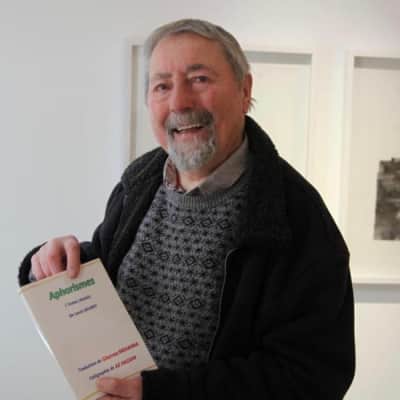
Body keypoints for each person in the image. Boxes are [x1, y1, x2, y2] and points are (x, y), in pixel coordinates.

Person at [18, 18, 355, 400]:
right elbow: (111, 277)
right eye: (162, 86)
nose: (179, 102)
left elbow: (311, 377)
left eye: (199, 79)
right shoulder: (138, 182)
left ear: (244, 90)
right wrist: (56, 263)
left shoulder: (298, 218)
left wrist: (161, 393)